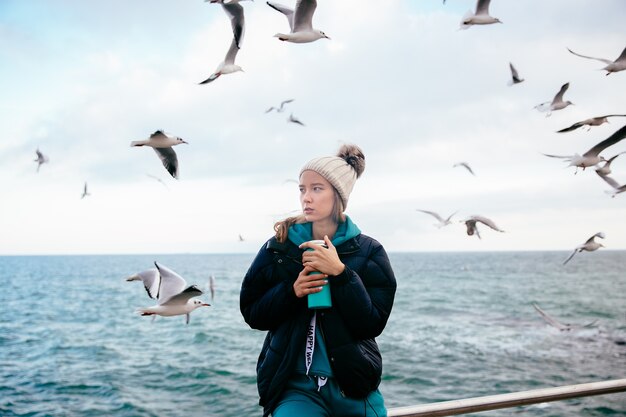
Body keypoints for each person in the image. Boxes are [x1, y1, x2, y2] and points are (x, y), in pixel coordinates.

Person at [240, 144, 397, 417]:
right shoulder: (279, 247)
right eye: (302, 189)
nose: (306, 198)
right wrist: (292, 292)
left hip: (354, 384)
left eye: (317, 188)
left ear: (338, 195)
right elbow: (253, 312)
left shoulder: (369, 251)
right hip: (296, 387)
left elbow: (372, 323)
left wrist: (342, 274)